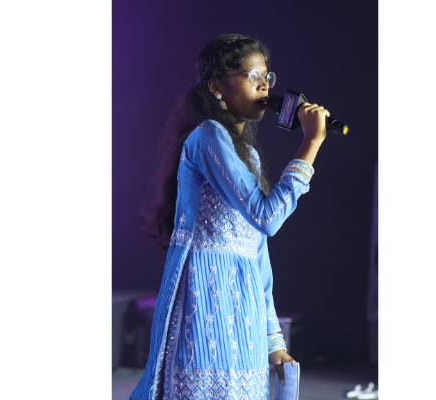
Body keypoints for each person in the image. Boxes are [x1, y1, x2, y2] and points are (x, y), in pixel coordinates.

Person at [129, 33, 330, 400]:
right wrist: (310, 143)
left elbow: (258, 252)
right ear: (216, 86)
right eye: (252, 76)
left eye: (266, 77)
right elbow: (267, 217)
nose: (264, 86)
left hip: (246, 306)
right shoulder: (207, 137)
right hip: (205, 297)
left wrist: (273, 341)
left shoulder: (248, 156)